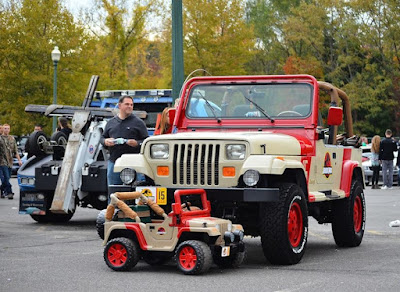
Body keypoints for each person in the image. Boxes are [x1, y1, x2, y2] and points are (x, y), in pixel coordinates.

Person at [100, 96, 149, 197]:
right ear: (119, 105)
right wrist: (106, 141)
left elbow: (146, 141)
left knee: (135, 193)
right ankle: (113, 212)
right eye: (127, 104)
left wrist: (137, 143)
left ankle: (135, 212)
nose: (130, 106)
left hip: (134, 164)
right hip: (114, 162)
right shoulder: (111, 122)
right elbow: (102, 138)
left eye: (131, 105)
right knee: (113, 193)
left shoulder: (138, 123)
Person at [1, 124, 22, 199]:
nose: (6, 130)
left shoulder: (12, 138)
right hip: (2, 161)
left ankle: (1, 190)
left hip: (10, 161)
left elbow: (15, 150)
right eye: (5, 128)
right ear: (2, 129)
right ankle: (10, 192)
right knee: (6, 177)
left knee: (7, 178)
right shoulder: (0, 138)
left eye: (8, 128)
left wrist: (19, 160)